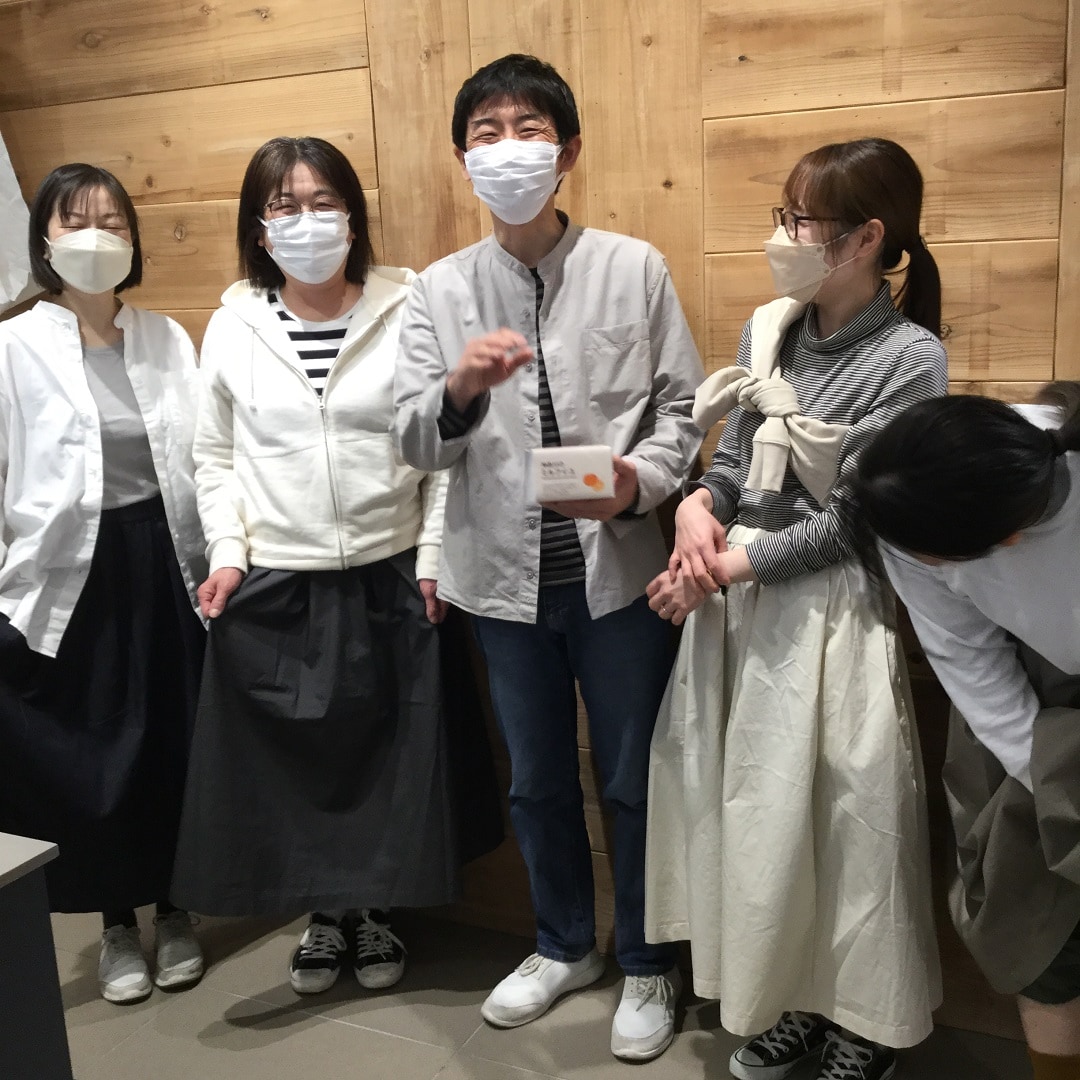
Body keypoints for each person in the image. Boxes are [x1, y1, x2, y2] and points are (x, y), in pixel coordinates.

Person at [393, 53, 705, 1063]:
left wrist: (640, 481)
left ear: (566, 151)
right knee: (534, 780)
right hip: (502, 585)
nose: (507, 148)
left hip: (622, 578)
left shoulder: (633, 266)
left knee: (633, 777)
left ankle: (649, 960)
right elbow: (412, 441)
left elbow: (682, 408)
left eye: (527, 129)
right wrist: (458, 390)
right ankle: (565, 943)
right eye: (486, 133)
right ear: (463, 159)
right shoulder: (438, 290)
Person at [644, 138, 946, 1079]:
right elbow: (737, 459)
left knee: (846, 821)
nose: (785, 236)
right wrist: (698, 507)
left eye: (801, 220)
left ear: (867, 237)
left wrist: (721, 569)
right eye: (785, 215)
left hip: (829, 615)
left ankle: (863, 1022)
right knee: (760, 816)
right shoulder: (770, 327)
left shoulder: (911, 358)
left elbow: (855, 523)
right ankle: (791, 999)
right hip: (741, 608)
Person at [170, 136, 455, 997]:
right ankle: (324, 917)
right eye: (284, 206)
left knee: (387, 757)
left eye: (324, 201)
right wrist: (227, 554)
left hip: (390, 567)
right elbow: (214, 457)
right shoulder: (234, 324)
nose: (306, 220)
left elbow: (445, 449)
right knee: (302, 765)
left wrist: (433, 555)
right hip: (280, 576)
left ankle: (376, 913)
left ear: (353, 216)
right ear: (259, 229)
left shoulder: (409, 306)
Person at [0, 164, 207, 1004]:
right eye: (74, 219)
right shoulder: (12, 347)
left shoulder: (165, 338)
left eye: (112, 220)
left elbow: (204, 457)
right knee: (94, 751)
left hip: (166, 560)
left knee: (173, 741)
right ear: (45, 239)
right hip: (71, 575)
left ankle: (177, 906)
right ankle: (116, 922)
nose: (95, 235)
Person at [848, 385, 1080, 1080]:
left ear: (1006, 542)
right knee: (1030, 919)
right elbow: (967, 658)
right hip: (1024, 702)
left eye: (938, 559)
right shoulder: (909, 500)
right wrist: (1050, 786)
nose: (924, 566)